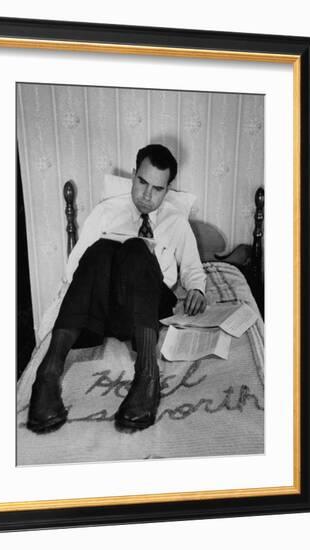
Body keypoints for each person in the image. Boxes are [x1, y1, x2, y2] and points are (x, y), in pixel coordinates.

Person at [27, 144, 207, 434]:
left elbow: (192, 270)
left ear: (168, 189)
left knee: (137, 248)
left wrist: (197, 289)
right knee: (100, 250)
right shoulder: (105, 212)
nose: (147, 196)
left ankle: (147, 374)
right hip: (102, 309)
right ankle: (48, 373)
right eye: (142, 183)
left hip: (148, 308)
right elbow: (76, 269)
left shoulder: (177, 222)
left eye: (157, 189)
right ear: (134, 176)